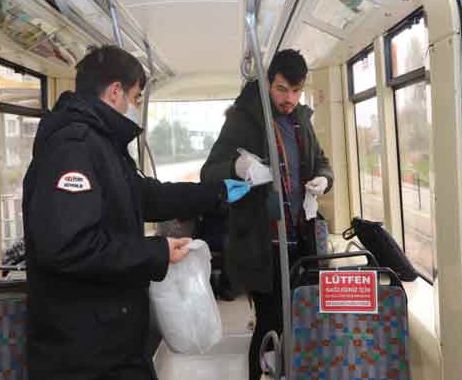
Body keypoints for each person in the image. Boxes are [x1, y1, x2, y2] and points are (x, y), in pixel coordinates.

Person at [22, 45, 250, 380]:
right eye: (137, 97)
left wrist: (217, 193)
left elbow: (148, 196)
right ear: (115, 92)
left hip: (109, 333)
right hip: (82, 350)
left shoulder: (103, 144)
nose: (137, 106)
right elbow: (69, 247)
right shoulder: (73, 148)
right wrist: (156, 252)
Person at [200, 49, 333, 380]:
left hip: (301, 241)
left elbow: (322, 162)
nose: (290, 99)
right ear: (268, 83)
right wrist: (236, 166)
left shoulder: (301, 120)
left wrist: (324, 180)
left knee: (301, 319)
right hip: (262, 242)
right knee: (271, 320)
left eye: (297, 90)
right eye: (282, 89)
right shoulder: (243, 119)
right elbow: (209, 172)